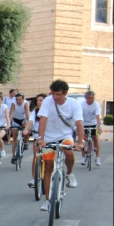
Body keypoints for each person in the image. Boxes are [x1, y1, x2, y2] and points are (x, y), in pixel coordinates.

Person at [36, 79, 85, 212]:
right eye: (53, 94)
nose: (55, 97)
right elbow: (43, 120)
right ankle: (47, 200)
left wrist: (80, 143)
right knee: (48, 167)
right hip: (49, 138)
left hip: (65, 136)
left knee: (69, 152)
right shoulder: (47, 101)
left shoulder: (74, 104)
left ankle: (69, 173)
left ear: (65, 94)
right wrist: (41, 138)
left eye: (58, 94)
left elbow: (79, 124)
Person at [28, 93, 47, 187]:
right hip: (36, 136)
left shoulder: (48, 111)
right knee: (36, 157)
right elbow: (30, 121)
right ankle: (34, 177)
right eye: (37, 101)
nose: (38, 102)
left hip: (47, 138)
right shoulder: (35, 112)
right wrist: (26, 128)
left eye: (41, 100)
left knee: (48, 158)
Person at [79, 90, 103, 166]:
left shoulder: (96, 105)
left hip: (93, 124)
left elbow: (98, 117)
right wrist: (79, 126)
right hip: (84, 124)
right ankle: (83, 157)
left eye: (93, 98)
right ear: (86, 98)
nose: (91, 99)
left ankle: (98, 158)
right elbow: (79, 116)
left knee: (95, 138)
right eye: (90, 98)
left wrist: (99, 127)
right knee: (83, 140)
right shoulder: (82, 105)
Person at [9, 92, 31, 163]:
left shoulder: (25, 103)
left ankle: (25, 142)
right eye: (17, 99)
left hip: (23, 119)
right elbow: (11, 113)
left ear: (23, 99)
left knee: (26, 130)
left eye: (20, 100)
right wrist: (9, 123)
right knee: (14, 137)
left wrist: (29, 124)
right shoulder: (13, 103)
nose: (18, 101)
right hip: (16, 120)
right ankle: (13, 155)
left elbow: (27, 114)